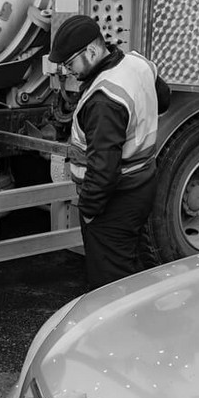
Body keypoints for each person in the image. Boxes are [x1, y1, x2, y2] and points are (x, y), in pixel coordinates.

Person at [48, 15, 170, 288]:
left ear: (91, 51)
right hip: (142, 184)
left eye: (69, 64)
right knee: (134, 262)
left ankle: (124, 329)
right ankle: (149, 321)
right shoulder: (137, 63)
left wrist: (90, 210)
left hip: (116, 200)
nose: (67, 71)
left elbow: (104, 170)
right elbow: (164, 100)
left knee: (110, 283)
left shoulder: (104, 100)